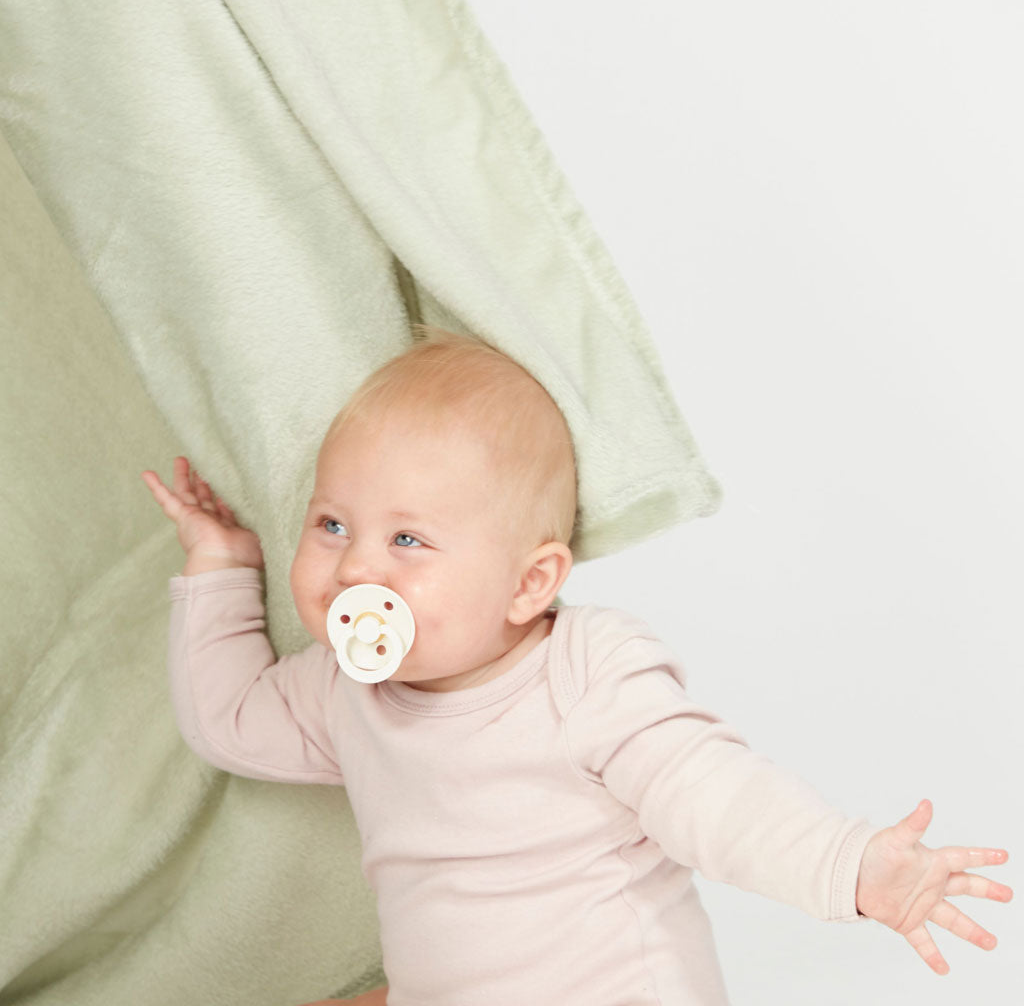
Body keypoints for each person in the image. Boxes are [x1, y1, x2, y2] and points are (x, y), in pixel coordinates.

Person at [142, 331, 1011, 1005]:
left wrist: (851, 866)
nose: (357, 568)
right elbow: (230, 721)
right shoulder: (347, 687)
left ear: (529, 584)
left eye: (407, 539)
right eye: (333, 525)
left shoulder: (586, 673)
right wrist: (220, 566)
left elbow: (717, 799)